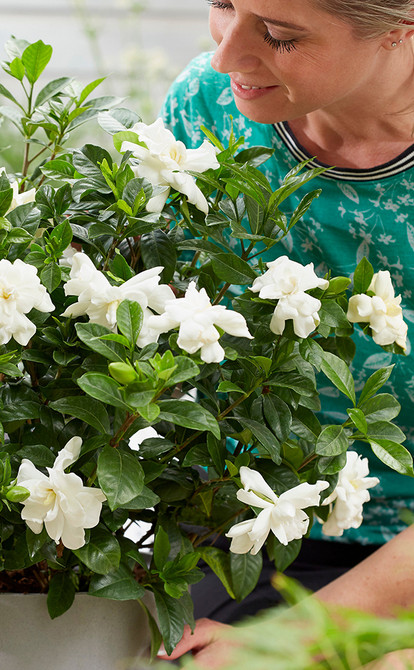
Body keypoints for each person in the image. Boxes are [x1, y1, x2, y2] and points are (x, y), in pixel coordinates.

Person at [158, 0, 414, 664]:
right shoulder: (209, 106)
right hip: (247, 532)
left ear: (400, 32)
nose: (224, 55)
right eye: (222, 4)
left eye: (278, 37)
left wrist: (300, 635)